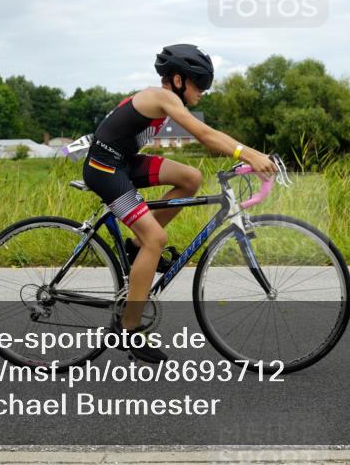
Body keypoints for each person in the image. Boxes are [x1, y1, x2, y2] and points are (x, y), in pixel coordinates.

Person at [82, 44, 277, 363]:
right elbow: (203, 133)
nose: (203, 91)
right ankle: (128, 329)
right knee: (156, 240)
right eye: (199, 84)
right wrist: (250, 153)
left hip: (124, 161)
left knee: (190, 178)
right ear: (176, 79)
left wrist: (248, 153)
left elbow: (207, 133)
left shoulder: (165, 98)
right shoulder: (161, 97)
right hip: (105, 168)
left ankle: (136, 248)